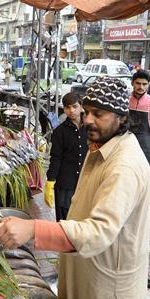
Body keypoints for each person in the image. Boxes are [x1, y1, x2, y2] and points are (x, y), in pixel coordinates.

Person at [0, 77, 150, 299]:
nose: (88, 119)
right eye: (86, 110)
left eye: (99, 114)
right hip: (85, 287)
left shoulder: (124, 165)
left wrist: (33, 229)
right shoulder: (100, 147)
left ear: (122, 118)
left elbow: (97, 232)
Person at [45, 92, 89, 220]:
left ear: (81, 107)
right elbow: (56, 157)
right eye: (67, 107)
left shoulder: (90, 128)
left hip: (85, 181)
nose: (71, 110)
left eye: (75, 106)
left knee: (83, 218)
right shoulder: (60, 131)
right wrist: (50, 180)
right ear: (64, 109)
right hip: (65, 183)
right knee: (65, 218)